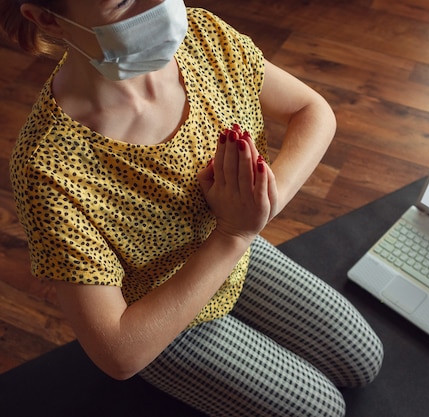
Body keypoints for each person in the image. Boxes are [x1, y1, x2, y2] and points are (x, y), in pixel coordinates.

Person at [2, 1, 383, 416]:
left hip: (238, 248)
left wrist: (259, 210)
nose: (162, 6)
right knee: (323, 410)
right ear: (47, 18)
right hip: (164, 320)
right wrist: (233, 233)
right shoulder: (48, 169)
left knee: (364, 357)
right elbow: (117, 354)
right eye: (124, 1)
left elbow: (312, 111)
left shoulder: (203, 37)